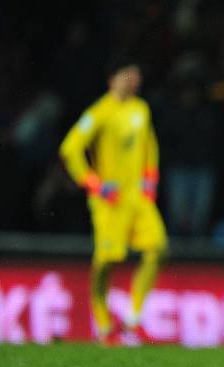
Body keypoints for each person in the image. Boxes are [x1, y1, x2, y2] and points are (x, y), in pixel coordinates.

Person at [59, 57, 167, 345]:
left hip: (138, 198)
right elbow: (70, 149)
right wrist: (94, 184)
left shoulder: (140, 108)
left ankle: (131, 322)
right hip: (110, 200)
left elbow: (150, 144)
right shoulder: (99, 112)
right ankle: (105, 325)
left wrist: (150, 177)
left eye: (136, 73)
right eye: (126, 74)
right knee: (107, 260)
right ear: (112, 79)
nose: (133, 79)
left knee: (156, 248)